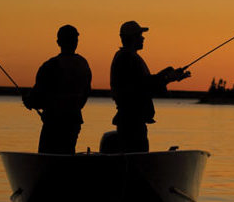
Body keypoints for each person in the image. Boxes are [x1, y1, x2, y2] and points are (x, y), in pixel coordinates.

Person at [109, 20, 190, 152]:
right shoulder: (127, 58)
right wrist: (168, 77)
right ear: (131, 38)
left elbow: (145, 84)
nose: (143, 38)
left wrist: (169, 77)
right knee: (136, 158)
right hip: (132, 122)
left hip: (132, 121)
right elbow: (142, 87)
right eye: (139, 35)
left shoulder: (127, 57)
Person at [23, 24, 93, 154]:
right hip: (74, 121)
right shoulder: (83, 64)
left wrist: (28, 101)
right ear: (76, 41)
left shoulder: (50, 65)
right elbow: (86, 93)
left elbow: (37, 97)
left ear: (58, 42)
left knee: (47, 157)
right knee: (67, 154)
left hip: (53, 123)